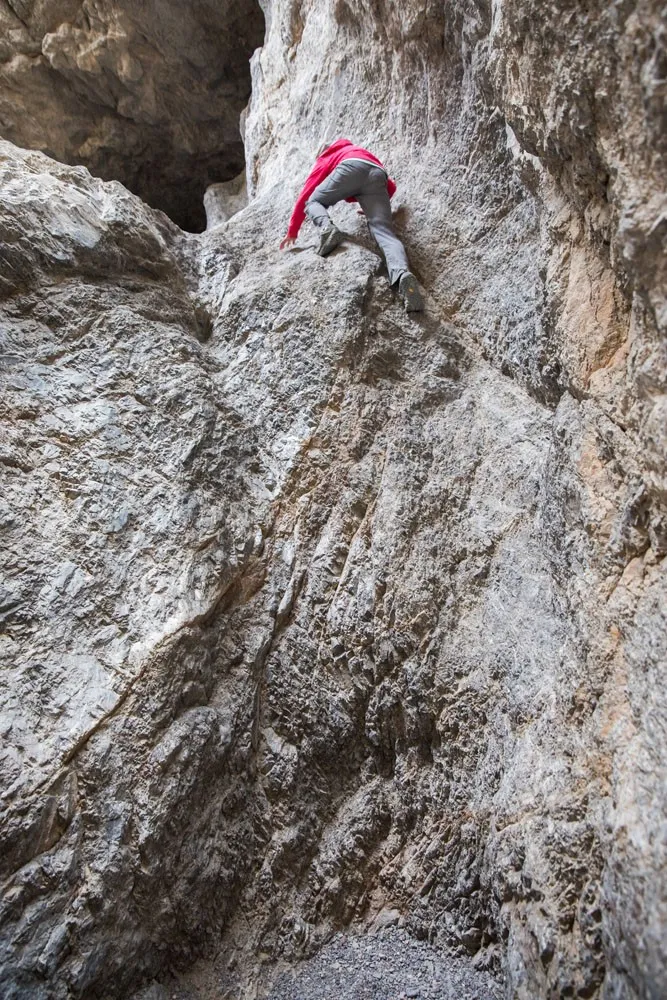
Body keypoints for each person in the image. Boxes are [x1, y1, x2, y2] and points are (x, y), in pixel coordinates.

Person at [280, 138, 424, 312]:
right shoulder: (357, 150)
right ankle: (402, 275)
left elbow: (306, 193)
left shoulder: (326, 156)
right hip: (378, 174)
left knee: (312, 202)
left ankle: (328, 229)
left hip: (349, 168)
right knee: (385, 233)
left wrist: (293, 230)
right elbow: (390, 187)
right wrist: (372, 208)